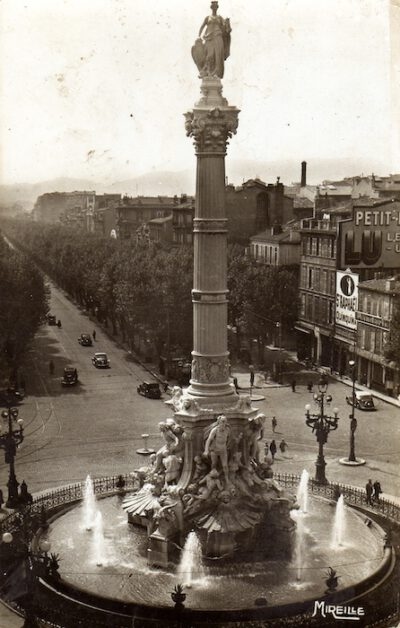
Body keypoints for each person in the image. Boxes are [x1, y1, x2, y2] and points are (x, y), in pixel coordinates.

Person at [195, 1, 231, 79]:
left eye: (215, 7)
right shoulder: (208, 18)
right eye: (213, 7)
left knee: (218, 56)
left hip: (218, 37)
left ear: (217, 8)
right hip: (209, 38)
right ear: (211, 8)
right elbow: (202, 27)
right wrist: (199, 36)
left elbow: (226, 29)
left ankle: (216, 74)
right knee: (209, 55)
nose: (214, 8)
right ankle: (208, 72)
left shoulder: (220, 18)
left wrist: (228, 26)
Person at [204, 415, 230, 483]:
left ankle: (227, 478)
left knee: (225, 465)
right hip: (214, 450)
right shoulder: (215, 430)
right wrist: (206, 450)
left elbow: (229, 439)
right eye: (222, 422)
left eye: (225, 422)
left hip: (223, 450)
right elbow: (208, 440)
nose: (224, 423)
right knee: (214, 464)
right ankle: (212, 478)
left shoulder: (227, 430)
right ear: (219, 422)